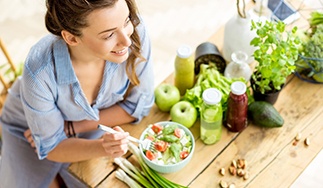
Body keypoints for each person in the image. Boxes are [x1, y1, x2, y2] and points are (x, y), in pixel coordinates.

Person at [0, 0, 154, 187]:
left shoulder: (135, 33)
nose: (127, 41)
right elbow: (53, 146)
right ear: (71, 38)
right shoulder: (39, 71)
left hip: (90, 129)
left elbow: (139, 105)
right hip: (27, 130)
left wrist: (73, 127)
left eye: (126, 21)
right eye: (109, 35)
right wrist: (103, 147)